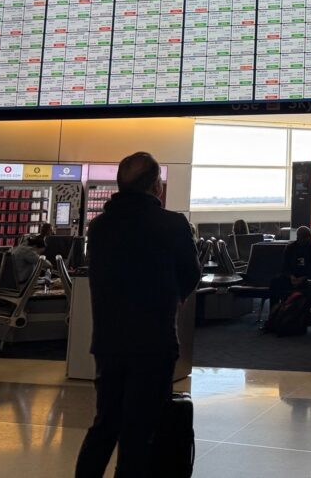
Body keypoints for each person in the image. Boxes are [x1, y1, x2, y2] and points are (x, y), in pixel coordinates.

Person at [75, 152, 200, 478]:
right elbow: (191, 273)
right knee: (139, 433)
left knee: (105, 425)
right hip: (154, 342)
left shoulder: (99, 227)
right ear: (156, 186)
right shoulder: (172, 224)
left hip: (108, 342)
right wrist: (175, 298)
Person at [270, 226, 311, 305]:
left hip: (308, 278)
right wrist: (291, 276)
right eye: (300, 238)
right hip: (295, 277)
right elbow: (284, 266)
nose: (301, 241)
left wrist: (303, 277)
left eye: (303, 239)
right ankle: (275, 311)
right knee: (275, 282)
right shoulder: (290, 248)